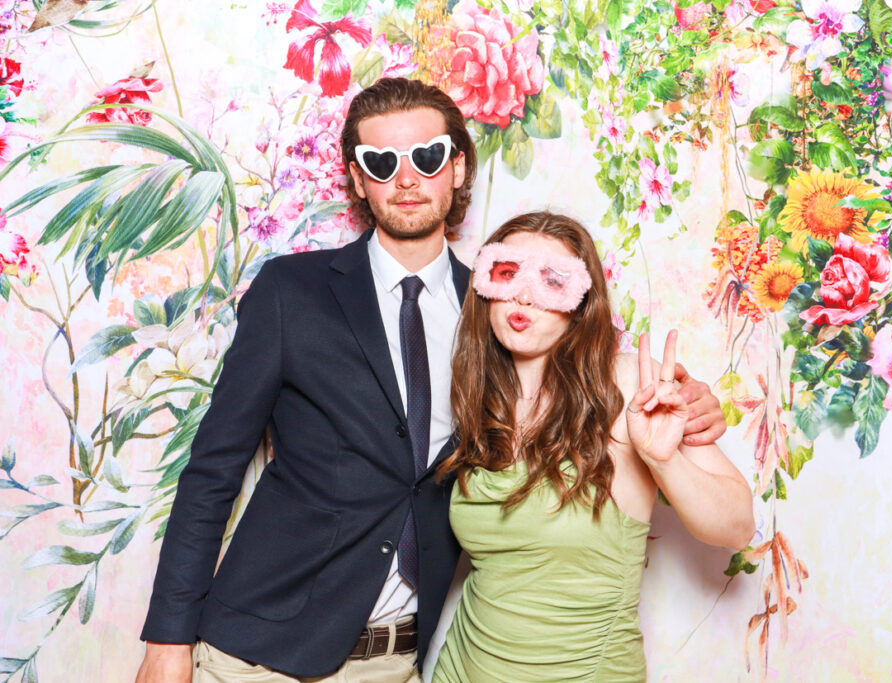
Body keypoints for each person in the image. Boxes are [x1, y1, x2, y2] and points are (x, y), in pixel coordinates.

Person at [134, 77, 726, 682]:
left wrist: (696, 413)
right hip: (257, 654)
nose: (406, 178)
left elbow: (590, 384)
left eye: (426, 156)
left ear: (457, 168)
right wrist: (167, 639)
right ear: (358, 180)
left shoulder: (505, 309)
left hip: (396, 662)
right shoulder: (291, 293)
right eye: (381, 162)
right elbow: (213, 469)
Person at [433, 212, 755, 682]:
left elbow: (738, 528)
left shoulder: (626, 385)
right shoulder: (478, 401)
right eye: (508, 273)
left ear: (582, 304)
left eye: (552, 280)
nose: (523, 294)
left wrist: (663, 462)